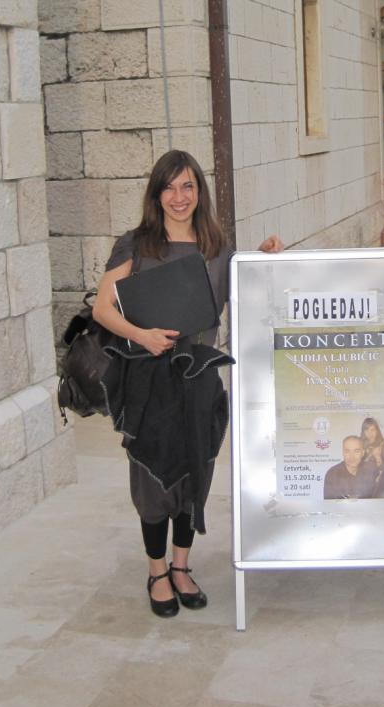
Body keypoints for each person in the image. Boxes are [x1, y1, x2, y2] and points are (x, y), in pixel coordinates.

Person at [93, 149, 283, 618]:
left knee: (194, 473)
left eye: (188, 186)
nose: (179, 197)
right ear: (156, 194)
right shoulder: (136, 244)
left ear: (200, 191)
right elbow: (102, 308)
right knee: (153, 480)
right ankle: (156, 571)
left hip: (199, 379)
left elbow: (247, 287)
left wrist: (263, 257)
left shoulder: (216, 246)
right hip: (148, 380)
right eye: (169, 187)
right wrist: (142, 336)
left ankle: (181, 566)